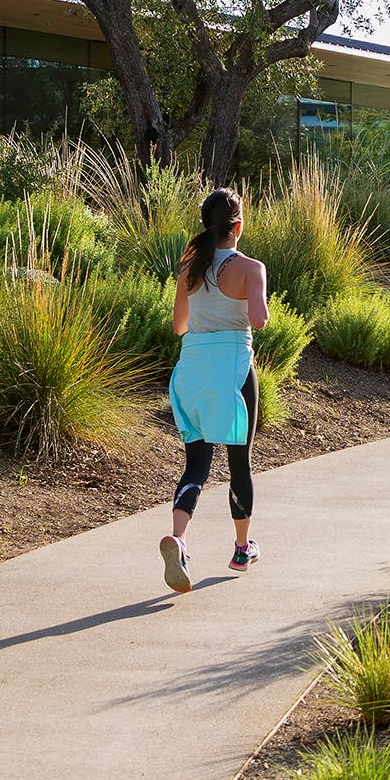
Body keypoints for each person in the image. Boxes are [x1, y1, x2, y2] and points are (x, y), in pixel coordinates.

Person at [159, 187, 267, 594]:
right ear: (238, 226)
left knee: (197, 465)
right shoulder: (250, 268)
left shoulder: (190, 267)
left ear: (207, 225)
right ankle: (241, 548)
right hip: (233, 371)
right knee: (240, 462)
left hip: (191, 372)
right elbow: (258, 321)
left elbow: (179, 326)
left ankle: (179, 539)